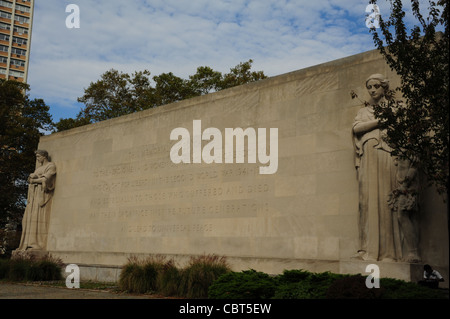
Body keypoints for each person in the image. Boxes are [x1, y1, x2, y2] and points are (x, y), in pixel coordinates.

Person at [352, 74, 399, 261]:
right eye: (370, 87)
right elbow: (356, 128)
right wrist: (380, 122)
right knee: (366, 202)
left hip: (386, 156)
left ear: (384, 87)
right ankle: (366, 249)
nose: (372, 90)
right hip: (368, 159)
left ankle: (388, 252)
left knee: (385, 201)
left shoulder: (395, 109)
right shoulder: (365, 111)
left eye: (376, 86)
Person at [16, 150, 57, 252]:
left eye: (39, 157)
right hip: (33, 197)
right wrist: (33, 179)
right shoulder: (39, 168)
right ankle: (28, 243)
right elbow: (30, 179)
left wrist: (34, 179)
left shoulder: (50, 166)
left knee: (37, 218)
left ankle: (36, 243)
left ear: (44, 156)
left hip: (41, 196)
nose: (37, 159)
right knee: (28, 219)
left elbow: (46, 179)